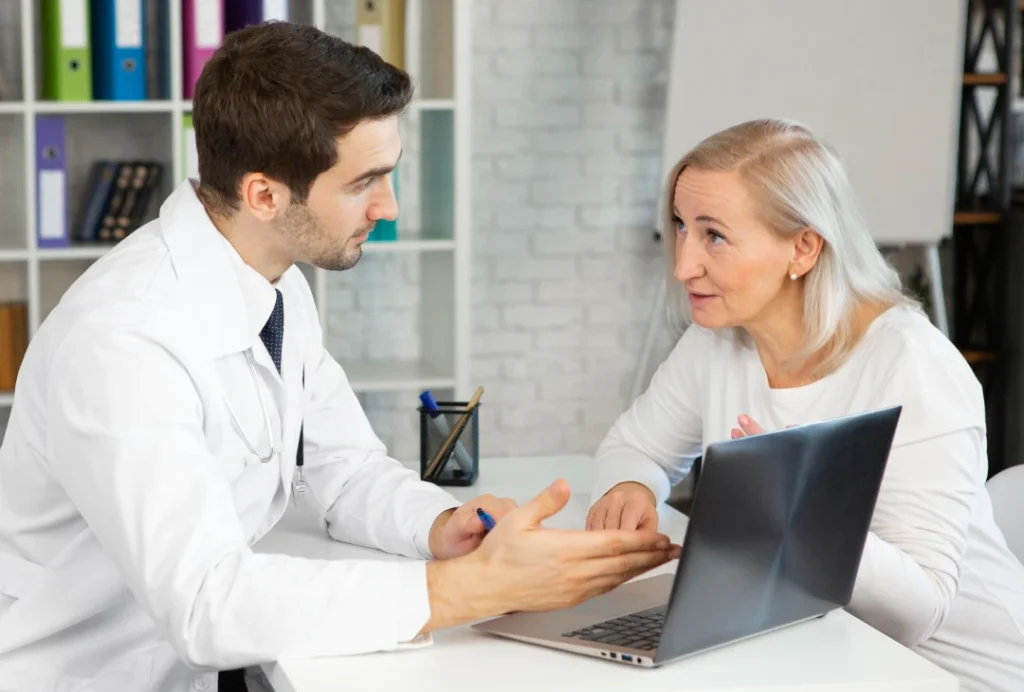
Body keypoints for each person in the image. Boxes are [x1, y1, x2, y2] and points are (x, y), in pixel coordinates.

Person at [0, 23, 678, 692]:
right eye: (365, 182)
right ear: (264, 195)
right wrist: (462, 591)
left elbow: (344, 469)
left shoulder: (276, 283)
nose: (389, 207)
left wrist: (443, 528)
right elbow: (205, 601)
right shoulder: (124, 340)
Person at [586, 118, 1024, 691]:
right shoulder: (718, 339)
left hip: (949, 675)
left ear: (803, 247)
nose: (683, 264)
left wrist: (799, 510)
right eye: (681, 226)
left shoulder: (913, 366)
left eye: (713, 235)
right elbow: (634, 447)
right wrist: (631, 487)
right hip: (811, 652)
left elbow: (918, 613)